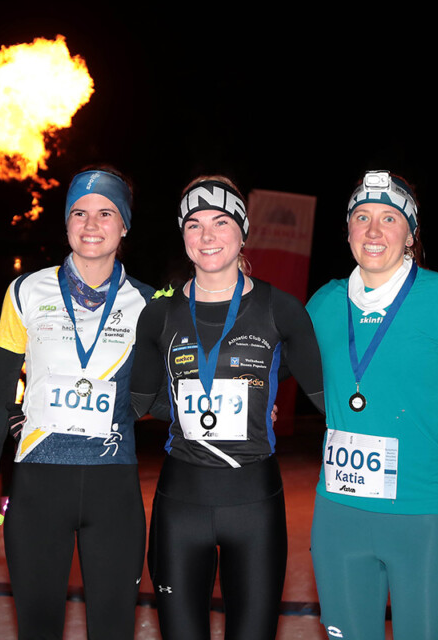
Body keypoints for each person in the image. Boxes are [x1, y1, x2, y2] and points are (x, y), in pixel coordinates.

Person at [0, 167, 154, 639]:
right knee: (38, 630)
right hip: (37, 490)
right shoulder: (27, 291)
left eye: (106, 213)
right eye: (79, 213)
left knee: (113, 631)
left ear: (124, 225)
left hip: (114, 491)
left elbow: (170, 395)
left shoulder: (150, 304)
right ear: (66, 223)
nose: (91, 224)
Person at [130, 175, 325, 640]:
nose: (208, 235)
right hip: (180, 505)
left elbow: (330, 399)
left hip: (254, 503)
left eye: (221, 222)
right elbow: (136, 402)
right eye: (194, 225)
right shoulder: (160, 313)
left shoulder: (282, 309)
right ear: (183, 236)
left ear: (243, 231)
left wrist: (262, 399)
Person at [305, 170, 438, 639]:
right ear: (347, 229)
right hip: (339, 518)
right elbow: (269, 368)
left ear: (410, 234)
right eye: (362, 217)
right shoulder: (323, 304)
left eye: (389, 219)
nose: (373, 231)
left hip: (423, 520)